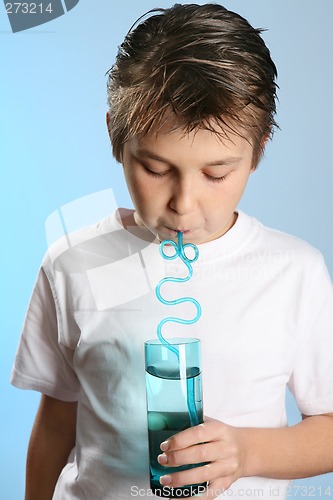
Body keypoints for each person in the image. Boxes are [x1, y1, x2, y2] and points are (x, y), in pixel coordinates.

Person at [11, 3, 333, 500]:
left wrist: (248, 453)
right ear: (116, 137)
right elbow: (57, 419)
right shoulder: (73, 262)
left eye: (216, 173)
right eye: (157, 169)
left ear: (258, 150)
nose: (184, 205)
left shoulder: (295, 272)